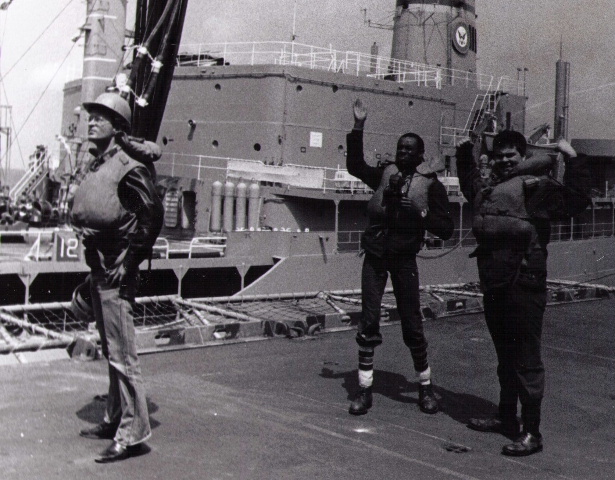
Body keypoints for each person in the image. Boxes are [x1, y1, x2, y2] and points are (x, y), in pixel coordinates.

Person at [456, 131, 590, 456]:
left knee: (527, 360)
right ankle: (506, 417)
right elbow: (468, 181)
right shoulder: (488, 190)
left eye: (511, 155)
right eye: (500, 154)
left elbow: (577, 199)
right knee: (505, 356)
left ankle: (532, 432)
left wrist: (573, 158)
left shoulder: (536, 187)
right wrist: (463, 152)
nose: (504, 159)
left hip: (524, 285)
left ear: (523, 155)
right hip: (495, 283)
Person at [70, 91, 163, 463]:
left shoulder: (129, 167)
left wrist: (130, 262)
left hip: (116, 273)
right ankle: (113, 418)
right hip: (99, 269)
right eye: (90, 115)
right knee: (111, 351)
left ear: (117, 126)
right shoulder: (99, 164)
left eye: (100, 116)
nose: (91, 120)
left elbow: (152, 217)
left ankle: (134, 432)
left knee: (124, 355)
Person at [345, 99, 454, 416]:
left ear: (420, 155)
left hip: (404, 259)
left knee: (412, 323)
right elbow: (355, 166)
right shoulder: (384, 174)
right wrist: (358, 125)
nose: (404, 153)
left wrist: (419, 214)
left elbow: (446, 229)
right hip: (376, 255)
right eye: (400, 148)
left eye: (410, 150)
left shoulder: (431, 186)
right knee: (368, 321)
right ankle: (364, 391)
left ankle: (425, 388)